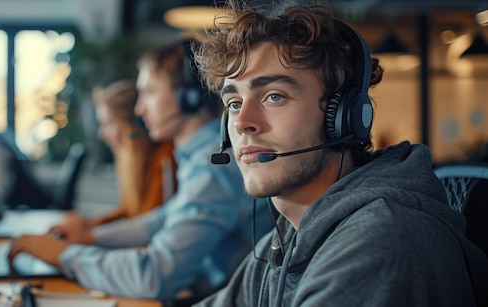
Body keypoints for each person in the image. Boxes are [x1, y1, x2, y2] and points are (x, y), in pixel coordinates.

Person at [191, 1, 488, 306]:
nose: (241, 123)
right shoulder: (288, 236)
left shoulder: (379, 242)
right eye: (234, 104)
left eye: (274, 96)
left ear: (343, 117)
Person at [9, 38, 274, 302]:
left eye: (149, 92)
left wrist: (64, 256)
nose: (139, 108)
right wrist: (90, 237)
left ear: (189, 97)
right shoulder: (202, 155)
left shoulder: (214, 166)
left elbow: (155, 276)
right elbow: (161, 219)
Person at [86, 79, 177, 225]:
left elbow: (145, 223)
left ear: (135, 126)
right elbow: (128, 210)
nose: (101, 134)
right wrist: (87, 225)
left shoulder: (165, 158)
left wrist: (89, 234)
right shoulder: (132, 164)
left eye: (108, 124)